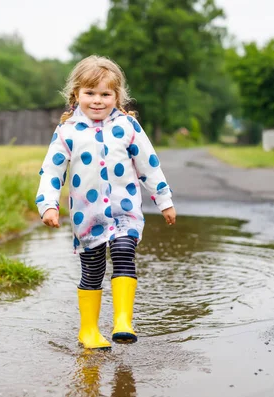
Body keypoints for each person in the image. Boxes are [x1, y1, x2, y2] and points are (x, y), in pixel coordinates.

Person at [36, 55, 176, 350]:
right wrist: (48, 204)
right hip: (87, 218)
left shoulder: (128, 127)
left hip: (124, 212)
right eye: (90, 93)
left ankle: (123, 322)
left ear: (117, 96)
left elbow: (148, 165)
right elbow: (52, 170)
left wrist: (164, 200)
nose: (97, 100)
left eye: (105, 94)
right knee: (93, 270)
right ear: (76, 95)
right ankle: (88, 331)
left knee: (125, 252)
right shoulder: (67, 132)